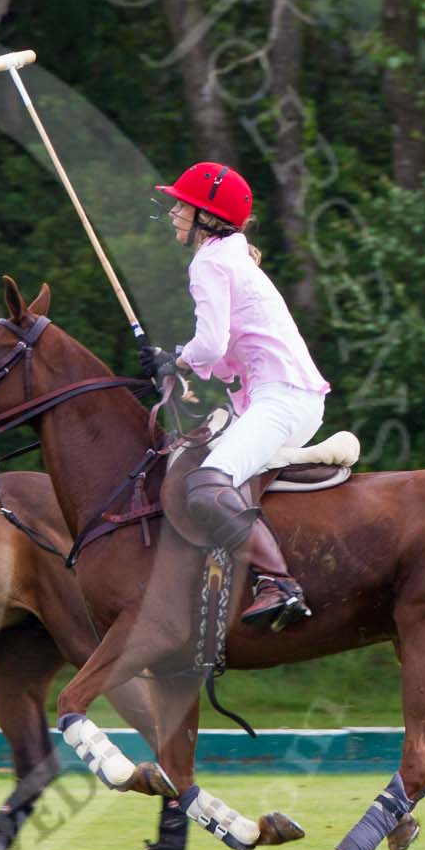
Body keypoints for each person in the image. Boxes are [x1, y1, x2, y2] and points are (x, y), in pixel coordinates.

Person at [140, 163, 330, 628]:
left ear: (206, 217)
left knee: (207, 484)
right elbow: (225, 352)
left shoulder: (209, 261)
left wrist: (177, 358)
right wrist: (176, 360)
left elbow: (209, 344)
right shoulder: (233, 254)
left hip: (283, 399)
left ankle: (279, 582)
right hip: (280, 396)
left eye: (181, 205)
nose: (173, 214)